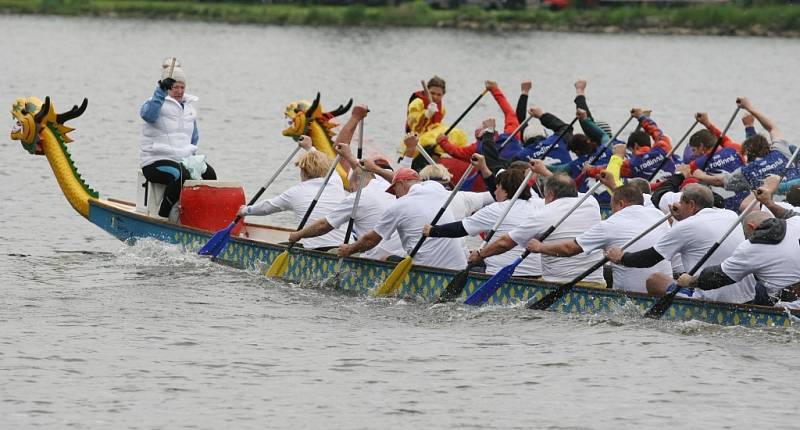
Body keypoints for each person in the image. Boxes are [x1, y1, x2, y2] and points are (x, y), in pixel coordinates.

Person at [604, 184, 756, 304]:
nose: (677, 205)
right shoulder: (731, 215)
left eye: (681, 202)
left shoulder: (686, 227)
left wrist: (622, 257)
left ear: (691, 204)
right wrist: (682, 217)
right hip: (747, 297)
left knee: (655, 280)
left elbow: (649, 259)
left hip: (710, 298)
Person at [526, 183, 671, 293]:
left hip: (628, 298)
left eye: (611, 206)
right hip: (663, 288)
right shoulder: (659, 216)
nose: (612, 211)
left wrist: (539, 247)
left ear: (620, 204)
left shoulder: (609, 224)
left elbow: (569, 249)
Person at [468, 173, 606, 285]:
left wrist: (480, 255)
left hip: (557, 284)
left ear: (550, 194)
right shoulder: (591, 202)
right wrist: (543, 171)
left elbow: (505, 243)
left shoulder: (543, 214)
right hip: (597, 283)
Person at [423, 160, 544, 276]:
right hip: (537, 273)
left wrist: (432, 231)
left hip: (499, 275)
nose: (494, 192)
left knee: (472, 266)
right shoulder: (539, 205)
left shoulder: (496, 209)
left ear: (505, 191)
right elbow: (561, 197)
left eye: (497, 188)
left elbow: (460, 229)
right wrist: (544, 171)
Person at [337, 168, 468, 270]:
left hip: (427, 268)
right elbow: (410, 180)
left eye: (394, 190)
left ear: (400, 184)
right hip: (459, 267)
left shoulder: (399, 205)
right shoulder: (436, 187)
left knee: (384, 258)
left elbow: (371, 240)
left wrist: (349, 250)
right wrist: (376, 169)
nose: (395, 195)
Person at [674, 204, 800, 307]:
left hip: (791, 305)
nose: (746, 239)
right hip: (792, 293)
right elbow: (788, 214)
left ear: (752, 227)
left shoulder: (750, 248)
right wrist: (768, 202)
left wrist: (690, 281)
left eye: (746, 235)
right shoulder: (796, 221)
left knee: (760, 288)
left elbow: (718, 277)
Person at [140, 58, 216, 220]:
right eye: (175, 87)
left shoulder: (188, 108)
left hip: (182, 160)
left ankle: (196, 217)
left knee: (210, 175)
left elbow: (193, 138)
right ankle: (162, 217)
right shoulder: (154, 103)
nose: (179, 91)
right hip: (156, 160)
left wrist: (193, 159)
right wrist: (160, 91)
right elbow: (148, 115)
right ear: (167, 88)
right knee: (179, 175)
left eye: (182, 87)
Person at [237, 147, 347, 250]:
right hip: (346, 247)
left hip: (317, 249)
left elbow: (267, 207)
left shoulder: (295, 192)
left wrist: (245, 210)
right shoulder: (336, 181)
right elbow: (329, 167)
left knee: (284, 245)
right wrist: (309, 147)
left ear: (303, 171)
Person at [690, 98, 800, 199]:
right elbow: (772, 127)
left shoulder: (747, 172)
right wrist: (749, 108)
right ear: (768, 146)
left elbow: (718, 181)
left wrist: (701, 176)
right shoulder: (780, 151)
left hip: (774, 207)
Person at [675, 112, 747, 211]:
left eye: (694, 150)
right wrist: (707, 123)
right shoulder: (734, 148)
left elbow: (681, 173)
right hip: (750, 201)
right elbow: (722, 137)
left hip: (728, 208)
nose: (694, 155)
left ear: (701, 146)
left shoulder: (698, 164)